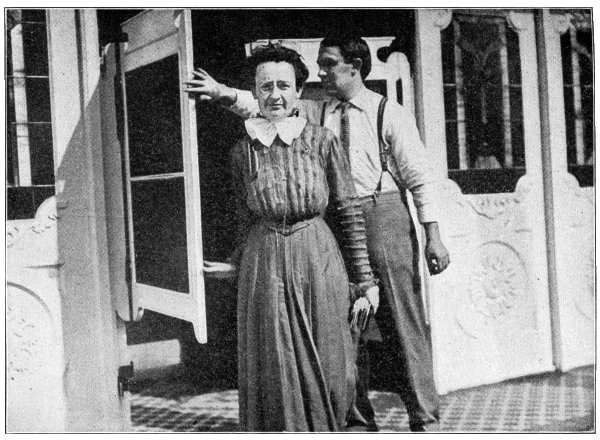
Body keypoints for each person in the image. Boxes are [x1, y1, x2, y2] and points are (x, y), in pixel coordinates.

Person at [186, 35, 450, 432]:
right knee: (345, 328)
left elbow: (420, 178)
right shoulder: (315, 109)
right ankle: (356, 419)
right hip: (329, 222)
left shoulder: (388, 112)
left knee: (400, 320)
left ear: (354, 67)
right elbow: (263, 102)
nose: (321, 72)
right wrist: (221, 91)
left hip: (380, 214)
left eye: (328, 64)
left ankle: (424, 418)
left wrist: (433, 235)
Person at [201, 44, 379, 432]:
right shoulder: (242, 152)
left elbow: (348, 211)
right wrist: (235, 264)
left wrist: (365, 282)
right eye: (266, 87)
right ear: (255, 92)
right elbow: (244, 220)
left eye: (284, 85)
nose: (275, 95)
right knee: (275, 366)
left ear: (298, 90)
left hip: (318, 260)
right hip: (264, 266)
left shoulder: (323, 141)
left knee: (333, 367)